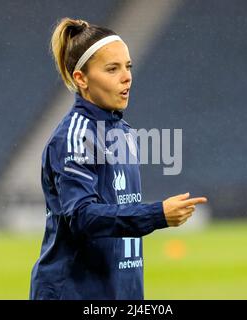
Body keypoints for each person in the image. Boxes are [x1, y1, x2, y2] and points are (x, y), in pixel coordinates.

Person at [29, 17, 208, 300]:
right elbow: (82, 216)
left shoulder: (123, 133)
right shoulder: (76, 135)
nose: (126, 77)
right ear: (81, 78)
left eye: (128, 67)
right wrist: (157, 214)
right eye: (112, 69)